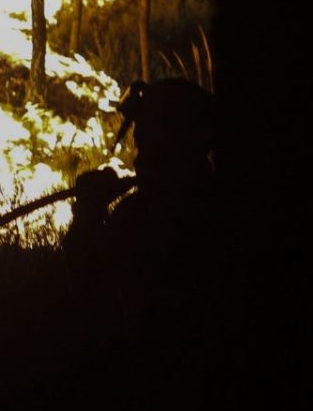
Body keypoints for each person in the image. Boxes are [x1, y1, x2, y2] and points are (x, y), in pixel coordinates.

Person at [65, 77, 218, 285]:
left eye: (145, 147)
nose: (137, 160)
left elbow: (81, 281)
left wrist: (88, 211)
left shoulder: (143, 217)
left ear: (171, 146)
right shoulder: (211, 200)